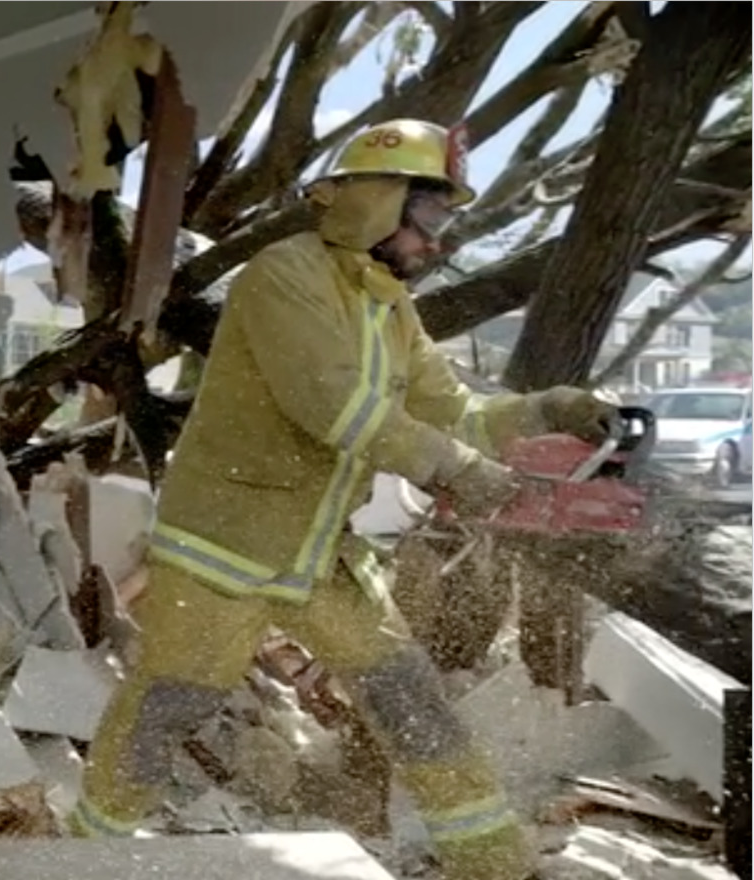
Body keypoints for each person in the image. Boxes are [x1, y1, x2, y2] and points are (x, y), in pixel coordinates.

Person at [66, 119, 617, 880]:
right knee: (171, 704)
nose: (437, 243)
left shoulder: (391, 309)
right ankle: (79, 854)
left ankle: (494, 864)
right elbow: (331, 404)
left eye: (444, 223)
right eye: (428, 219)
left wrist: (547, 409)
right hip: (224, 547)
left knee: (408, 695)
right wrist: (455, 468)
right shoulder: (281, 276)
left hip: (318, 554)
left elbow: (450, 410)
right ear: (375, 204)